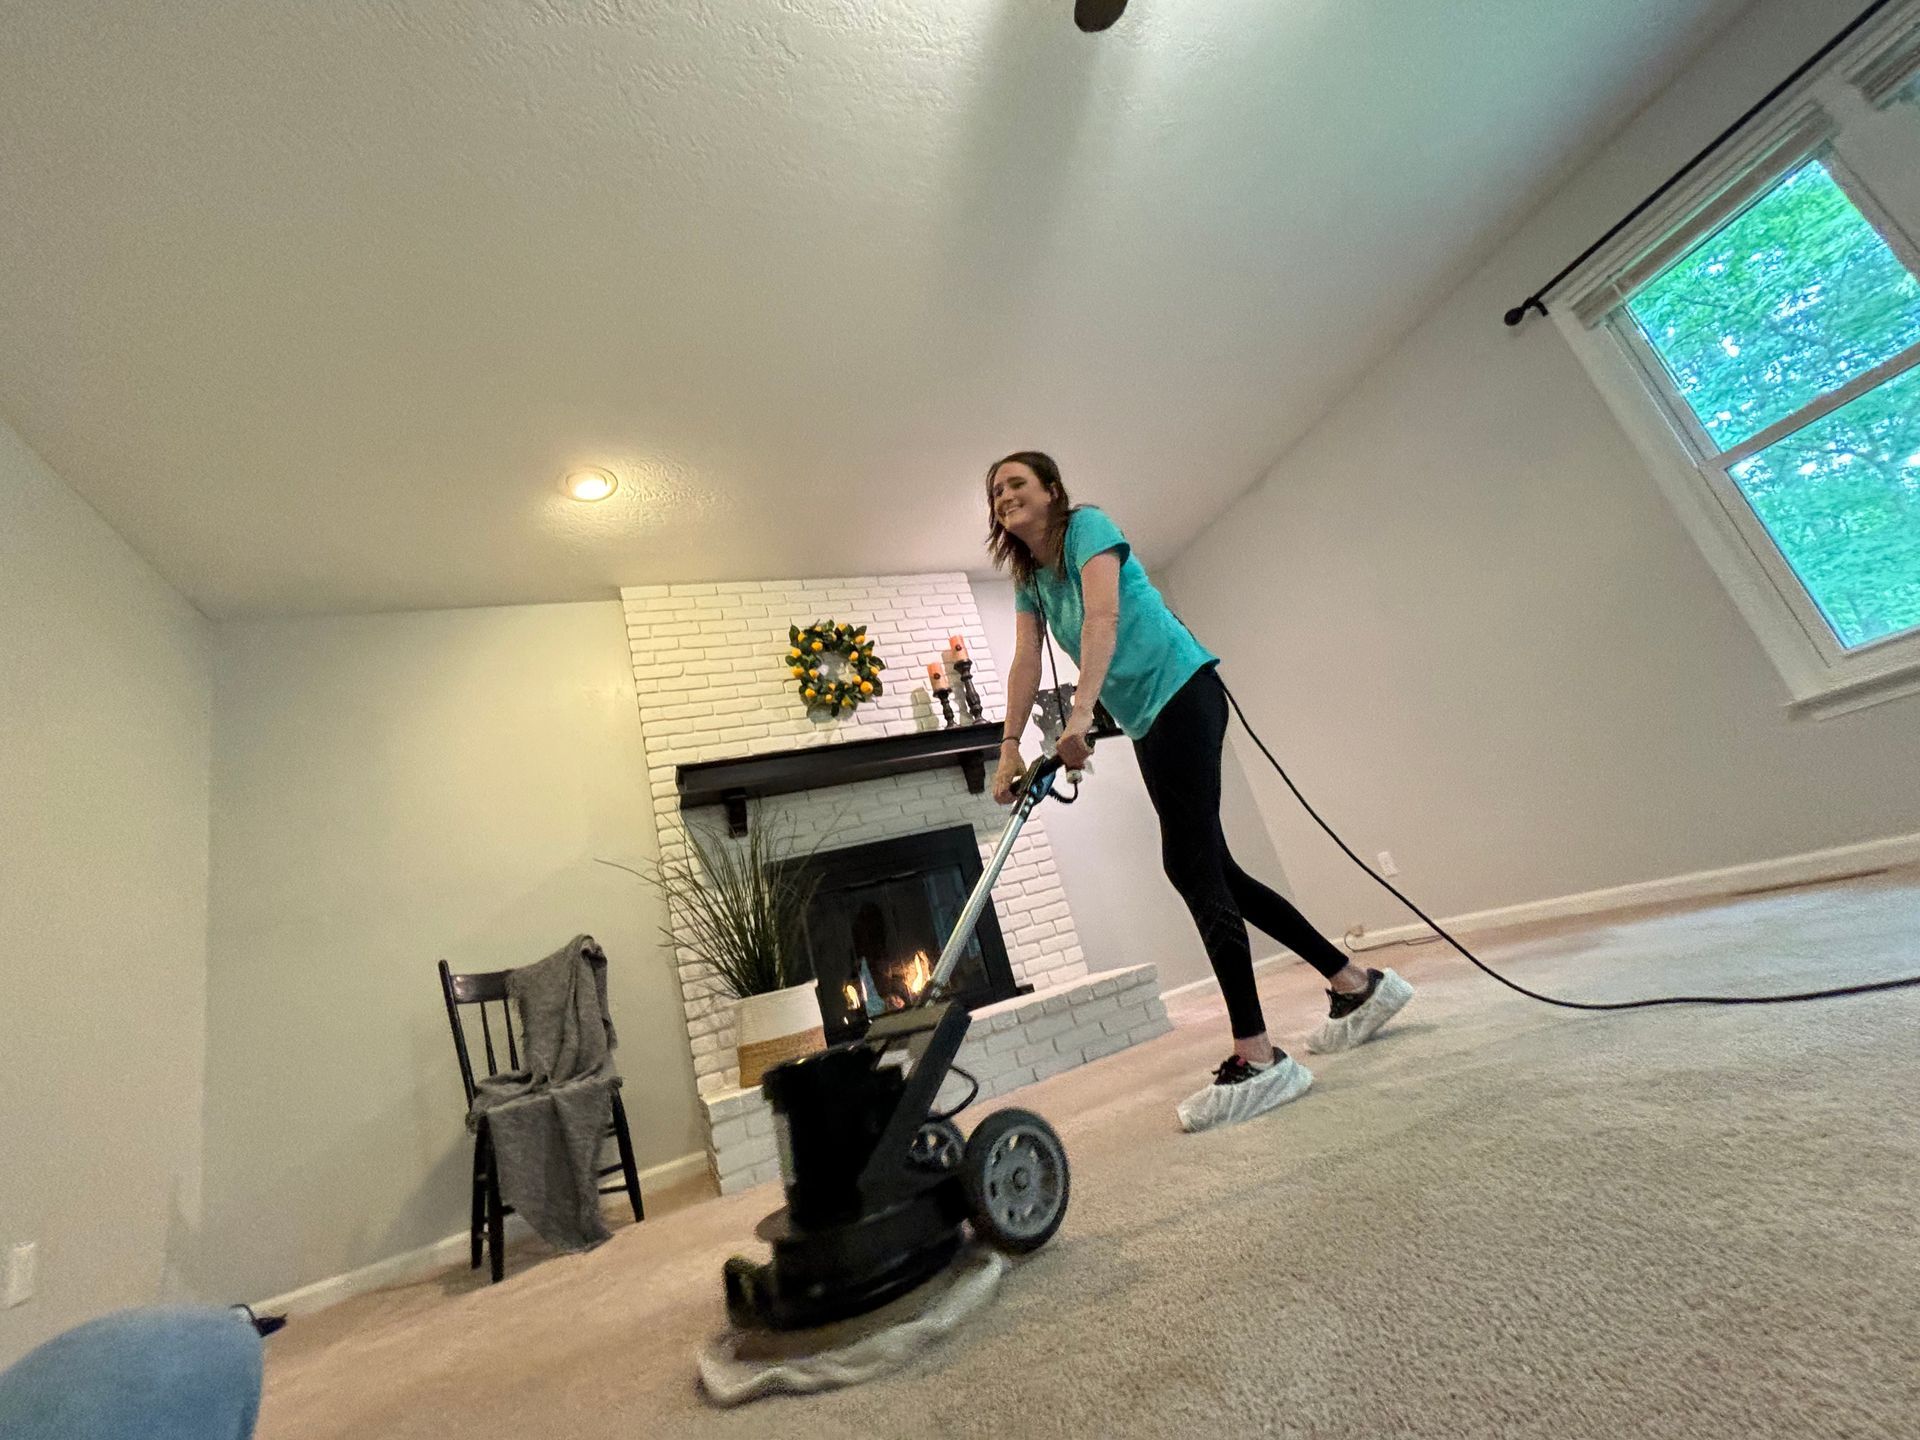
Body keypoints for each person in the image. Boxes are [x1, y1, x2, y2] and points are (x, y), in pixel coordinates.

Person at [984, 451, 1414, 1132]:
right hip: (1150, 718)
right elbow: (1027, 659)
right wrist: (1008, 749)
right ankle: (1354, 984)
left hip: (1185, 692)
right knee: (1219, 872)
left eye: (1016, 483)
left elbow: (1102, 620)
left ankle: (1258, 1053)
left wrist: (1078, 718)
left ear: (1052, 492)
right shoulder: (1031, 581)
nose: (1004, 495)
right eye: (995, 491)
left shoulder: (1088, 527)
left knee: (1188, 864)